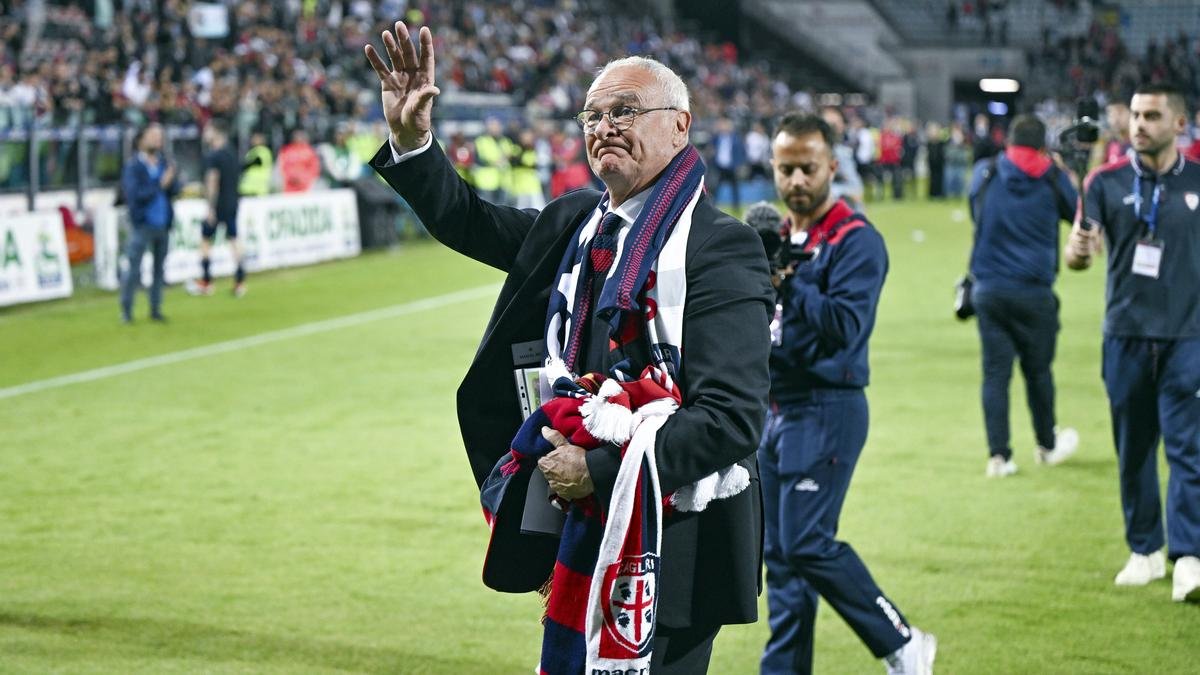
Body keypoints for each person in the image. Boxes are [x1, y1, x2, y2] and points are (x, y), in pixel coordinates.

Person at [364, 22, 772, 673]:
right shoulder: (575, 226)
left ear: (680, 125)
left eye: (625, 110)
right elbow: (470, 219)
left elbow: (733, 416)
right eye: (593, 114)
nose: (604, 125)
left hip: (676, 548)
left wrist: (602, 472)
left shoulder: (720, 247)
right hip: (577, 524)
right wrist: (413, 144)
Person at [759, 112, 936, 675]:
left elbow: (845, 327)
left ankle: (903, 641)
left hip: (828, 406)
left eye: (807, 168)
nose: (796, 181)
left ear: (832, 166)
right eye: (785, 169)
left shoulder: (855, 241)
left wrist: (790, 281)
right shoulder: (777, 239)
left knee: (808, 542)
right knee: (782, 557)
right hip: (775, 410)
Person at [1065, 83, 1200, 603]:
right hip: (1124, 334)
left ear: (1179, 124)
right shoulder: (1103, 181)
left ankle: (1188, 555)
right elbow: (1079, 255)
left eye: (1152, 116)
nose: (1138, 124)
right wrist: (1078, 249)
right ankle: (1144, 549)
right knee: (1133, 447)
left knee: (1188, 449)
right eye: (1136, 115)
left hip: (1188, 336)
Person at [967, 114, 1079, 477]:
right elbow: (1077, 211)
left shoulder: (985, 173)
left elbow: (976, 212)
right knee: (1038, 373)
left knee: (994, 375)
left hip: (989, 289)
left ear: (1008, 140)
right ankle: (1046, 445)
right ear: (1043, 145)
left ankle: (998, 457)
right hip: (1033, 291)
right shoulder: (1051, 177)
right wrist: (1062, 170)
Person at [119, 122, 179, 323]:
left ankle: (155, 308)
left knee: (159, 269)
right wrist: (160, 183)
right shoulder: (134, 166)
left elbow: (173, 190)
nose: (158, 140)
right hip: (143, 224)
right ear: (141, 139)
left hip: (163, 223)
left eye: (160, 136)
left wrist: (173, 182)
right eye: (153, 136)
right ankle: (127, 310)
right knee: (133, 269)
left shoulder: (164, 163)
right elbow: (135, 195)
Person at [188, 120, 246, 297]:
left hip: (219, 203)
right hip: (232, 201)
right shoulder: (231, 153)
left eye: (208, 130)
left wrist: (210, 207)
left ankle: (206, 281)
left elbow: (212, 181)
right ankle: (239, 282)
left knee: (205, 240)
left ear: (216, 133)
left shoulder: (213, 156)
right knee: (234, 239)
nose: (205, 134)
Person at [820, 105, 865, 207]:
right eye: (831, 124)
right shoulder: (817, 153)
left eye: (838, 123)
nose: (836, 127)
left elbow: (856, 187)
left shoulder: (842, 151)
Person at [711, 116, 746, 209]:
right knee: (716, 187)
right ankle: (713, 204)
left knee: (734, 187)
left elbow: (741, 151)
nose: (724, 127)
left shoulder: (735, 138)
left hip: (731, 166)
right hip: (719, 166)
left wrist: (739, 165)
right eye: (722, 125)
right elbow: (711, 147)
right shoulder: (717, 138)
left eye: (726, 125)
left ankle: (736, 206)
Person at [277, 128, 320, 193]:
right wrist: (291, 178)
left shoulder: (309, 151)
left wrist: (303, 179)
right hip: (289, 187)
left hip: (305, 187)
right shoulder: (286, 150)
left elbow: (314, 168)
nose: (298, 138)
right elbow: (282, 166)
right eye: (296, 136)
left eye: (300, 136)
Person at [239, 130, 272, 197]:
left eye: (256, 138)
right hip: (247, 188)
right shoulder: (252, 151)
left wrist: (242, 166)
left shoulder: (264, 151)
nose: (253, 140)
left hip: (258, 190)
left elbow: (256, 162)